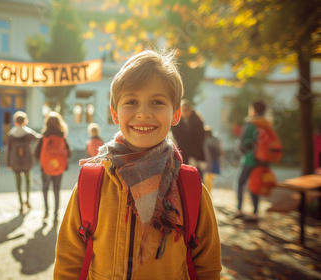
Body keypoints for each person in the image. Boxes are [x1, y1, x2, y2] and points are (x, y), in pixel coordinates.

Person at [54, 50, 221, 279]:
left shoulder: (190, 188)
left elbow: (207, 267)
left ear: (176, 114)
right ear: (114, 113)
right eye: (131, 101)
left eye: (157, 102)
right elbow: (68, 261)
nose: (143, 113)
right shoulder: (91, 183)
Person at [234, 100, 269, 221]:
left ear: (253, 110)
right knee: (255, 184)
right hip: (262, 161)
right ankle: (255, 212)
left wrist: (240, 148)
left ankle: (239, 210)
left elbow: (243, 145)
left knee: (239, 183)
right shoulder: (266, 124)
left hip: (249, 160)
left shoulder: (251, 124)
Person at [35, 111, 72, 220]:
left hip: (45, 167)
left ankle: (46, 212)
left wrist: (45, 159)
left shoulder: (44, 136)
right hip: (59, 167)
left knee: (45, 188)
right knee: (56, 190)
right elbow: (69, 152)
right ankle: (56, 215)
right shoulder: (62, 136)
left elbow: (36, 153)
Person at [7, 111, 40, 214]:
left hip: (15, 160)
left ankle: (21, 203)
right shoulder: (29, 133)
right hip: (27, 159)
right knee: (28, 181)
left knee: (18, 183)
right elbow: (38, 139)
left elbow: (9, 149)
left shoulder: (11, 134)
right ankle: (28, 200)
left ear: (15, 121)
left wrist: (8, 163)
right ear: (25, 121)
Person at [171, 99, 206, 178]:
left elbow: (200, 139)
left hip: (196, 153)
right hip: (183, 152)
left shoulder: (197, 120)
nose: (185, 112)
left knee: (197, 176)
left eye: (187, 110)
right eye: (183, 110)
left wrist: (194, 154)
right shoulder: (176, 122)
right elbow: (178, 138)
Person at [203, 125, 222, 194]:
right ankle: (209, 193)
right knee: (210, 180)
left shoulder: (206, 142)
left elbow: (207, 155)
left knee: (207, 180)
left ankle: (208, 194)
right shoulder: (216, 140)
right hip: (215, 161)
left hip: (209, 163)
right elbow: (220, 151)